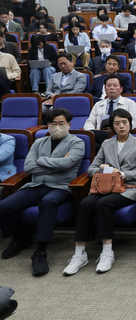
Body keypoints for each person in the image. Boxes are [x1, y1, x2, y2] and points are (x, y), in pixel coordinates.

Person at [63, 109, 136, 276]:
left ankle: (107, 252)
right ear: (112, 126)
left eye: (124, 122)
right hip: (105, 186)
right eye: (117, 123)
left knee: (104, 204)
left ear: (130, 123)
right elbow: (91, 169)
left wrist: (122, 174)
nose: (121, 126)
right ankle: (79, 254)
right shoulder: (107, 144)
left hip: (127, 188)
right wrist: (104, 169)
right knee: (85, 204)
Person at [0, 108, 84, 276]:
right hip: (35, 185)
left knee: (48, 202)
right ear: (48, 125)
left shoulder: (77, 142)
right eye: (53, 124)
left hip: (60, 187)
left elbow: (67, 164)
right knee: (4, 206)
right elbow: (28, 167)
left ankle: (40, 251)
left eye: (61, 123)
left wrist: (41, 161)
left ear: (69, 124)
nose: (57, 127)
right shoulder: (39, 142)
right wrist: (55, 164)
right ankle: (20, 237)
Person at [83, 74, 136, 148]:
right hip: (99, 134)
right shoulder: (98, 104)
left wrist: (117, 128)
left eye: (115, 85)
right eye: (109, 85)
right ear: (105, 88)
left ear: (121, 89)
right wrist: (93, 130)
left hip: (120, 134)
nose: (111, 88)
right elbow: (89, 121)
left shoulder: (130, 103)